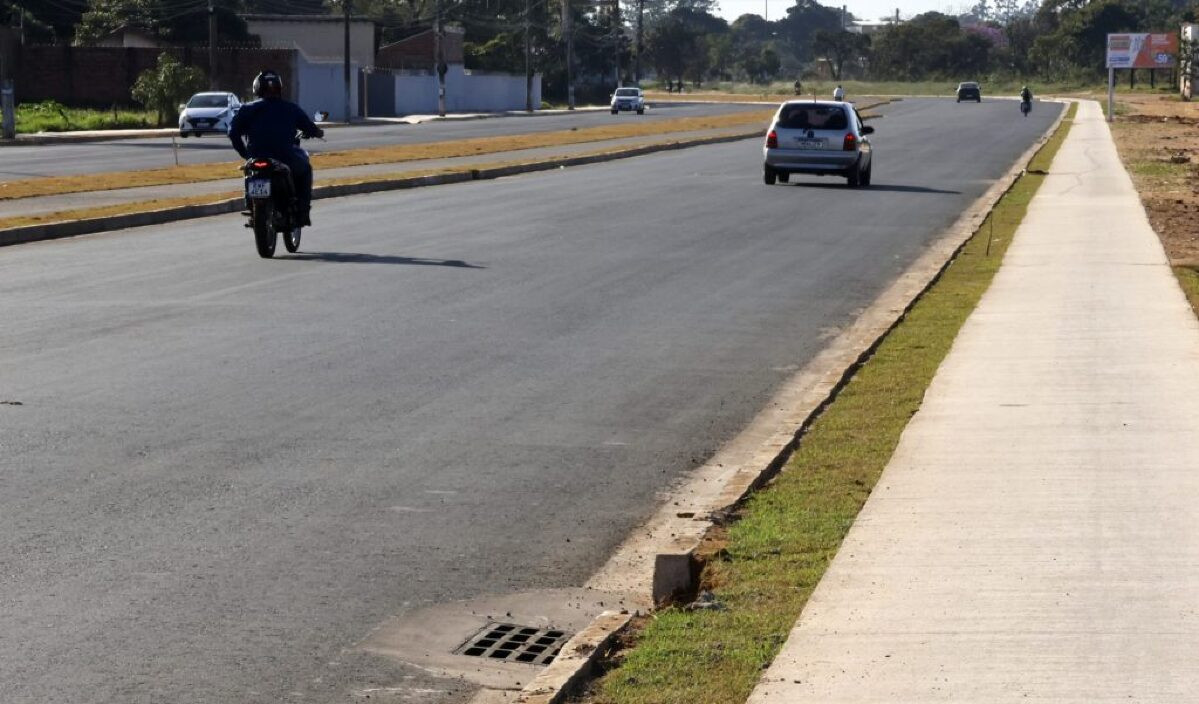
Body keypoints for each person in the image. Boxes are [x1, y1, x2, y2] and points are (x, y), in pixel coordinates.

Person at [229, 70, 324, 226]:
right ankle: (303, 212)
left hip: (256, 157)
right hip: (285, 157)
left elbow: (232, 132)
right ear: (279, 88)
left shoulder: (246, 109)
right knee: (306, 169)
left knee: (248, 170)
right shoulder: (291, 108)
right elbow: (308, 126)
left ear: (257, 88)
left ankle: (250, 203)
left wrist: (245, 154)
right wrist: (317, 132)